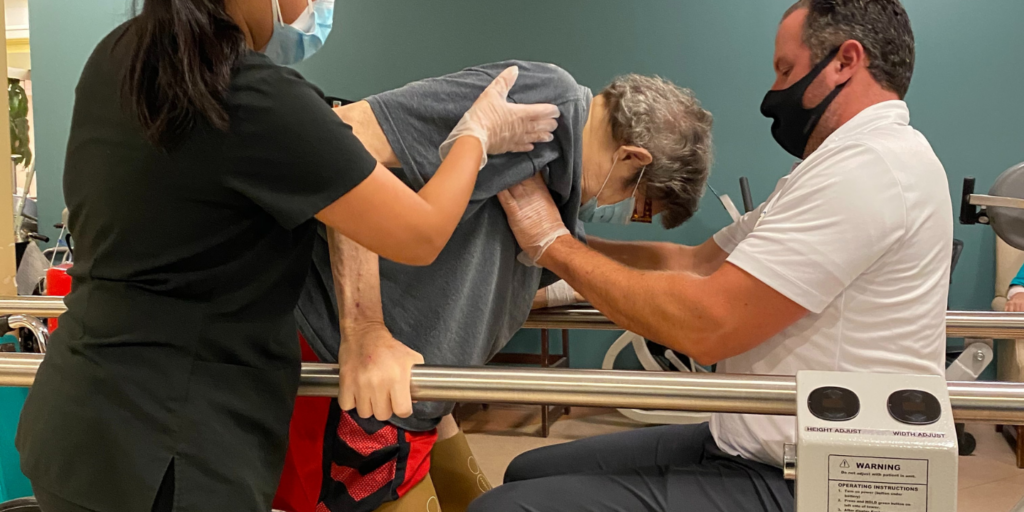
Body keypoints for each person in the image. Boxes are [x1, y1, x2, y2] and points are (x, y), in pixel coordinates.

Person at [13, 0, 559, 510]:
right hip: (170, 448)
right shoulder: (248, 93)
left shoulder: (120, 55)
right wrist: (475, 136)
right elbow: (420, 234)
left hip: (75, 419)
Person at [481, 1, 951, 511]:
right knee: (526, 470)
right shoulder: (837, 166)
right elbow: (693, 264)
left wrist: (554, 243)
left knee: (504, 508)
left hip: (812, 477)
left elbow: (707, 327)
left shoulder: (869, 169)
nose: (775, 93)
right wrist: (563, 254)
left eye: (786, 70)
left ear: (845, 61)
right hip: (748, 440)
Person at [276, 62, 713, 512]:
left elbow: (482, 273)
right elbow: (345, 137)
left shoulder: (561, 187)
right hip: (353, 372)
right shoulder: (541, 103)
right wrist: (364, 328)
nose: (618, 208)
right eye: (637, 203)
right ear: (632, 158)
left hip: (421, 399)